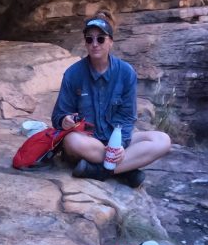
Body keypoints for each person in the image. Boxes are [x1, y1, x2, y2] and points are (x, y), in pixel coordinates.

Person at [52, 9, 171, 187]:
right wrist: (64, 120)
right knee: (71, 140)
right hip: (88, 142)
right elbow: (58, 116)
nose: (95, 44)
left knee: (163, 140)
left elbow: (127, 117)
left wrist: (120, 145)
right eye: (89, 39)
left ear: (111, 42)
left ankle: (101, 170)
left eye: (100, 39)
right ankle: (126, 169)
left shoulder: (126, 72)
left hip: (115, 139)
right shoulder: (73, 74)